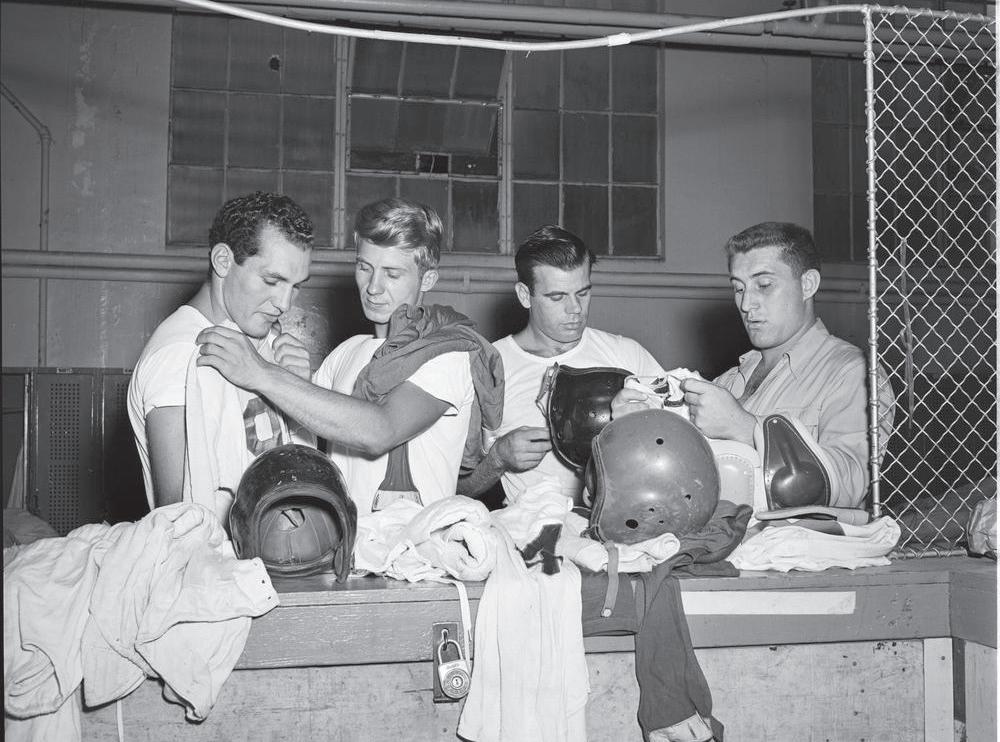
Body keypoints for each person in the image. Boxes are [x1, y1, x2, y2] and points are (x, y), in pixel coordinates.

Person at [196, 198, 502, 515]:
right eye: (364, 268)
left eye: (392, 274)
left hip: (419, 544)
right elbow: (309, 439)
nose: (373, 287)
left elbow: (380, 431)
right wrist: (296, 377)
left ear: (427, 279)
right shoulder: (346, 352)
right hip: (348, 541)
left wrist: (264, 374)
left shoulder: (446, 353)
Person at [618, 221, 895, 509]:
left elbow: (850, 485)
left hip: (802, 538)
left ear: (808, 285)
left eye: (764, 285)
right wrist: (641, 430)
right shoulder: (727, 382)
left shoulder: (852, 372)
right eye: (739, 288)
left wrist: (747, 429)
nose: (746, 304)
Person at [127, 191, 316, 512]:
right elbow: (176, 515)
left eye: (296, 286)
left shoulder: (264, 342)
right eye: (272, 280)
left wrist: (298, 389)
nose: (284, 304)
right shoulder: (178, 354)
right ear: (223, 261)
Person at [457, 225, 667, 505]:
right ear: (524, 295)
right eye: (557, 297)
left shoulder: (627, 356)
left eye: (583, 293)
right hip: (528, 529)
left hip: (623, 523)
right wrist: (498, 459)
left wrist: (640, 430)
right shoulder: (489, 368)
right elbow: (454, 489)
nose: (575, 309)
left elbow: (680, 452)